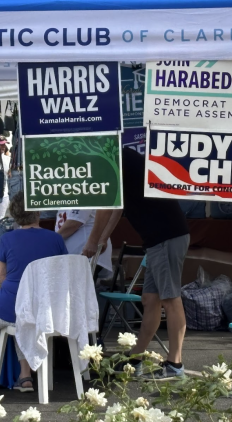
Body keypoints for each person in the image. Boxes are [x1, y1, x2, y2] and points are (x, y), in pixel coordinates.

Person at [83, 147, 190, 380]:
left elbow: (106, 205)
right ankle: (136, 358)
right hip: (158, 238)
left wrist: (93, 242)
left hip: (166, 236)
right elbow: (117, 206)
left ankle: (175, 364)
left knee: (171, 299)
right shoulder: (121, 159)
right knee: (150, 299)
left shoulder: (116, 159)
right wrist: (102, 239)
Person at [0, 191, 68, 392]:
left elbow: (1, 276)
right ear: (37, 213)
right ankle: (25, 376)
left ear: (15, 214)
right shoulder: (56, 240)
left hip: (13, 306)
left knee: (0, 320)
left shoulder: (7, 239)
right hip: (45, 310)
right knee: (23, 319)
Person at [55, 210, 113, 283]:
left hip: (86, 252)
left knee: (79, 291)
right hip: (75, 256)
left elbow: (74, 223)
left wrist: (51, 240)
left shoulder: (80, 199)